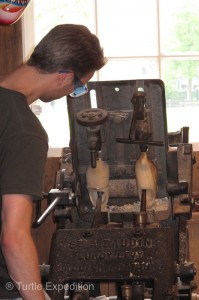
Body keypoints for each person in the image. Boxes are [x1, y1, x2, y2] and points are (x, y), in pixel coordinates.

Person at [0, 24, 106, 300]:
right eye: (79, 86)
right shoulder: (24, 131)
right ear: (64, 78)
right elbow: (14, 237)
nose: (74, 91)